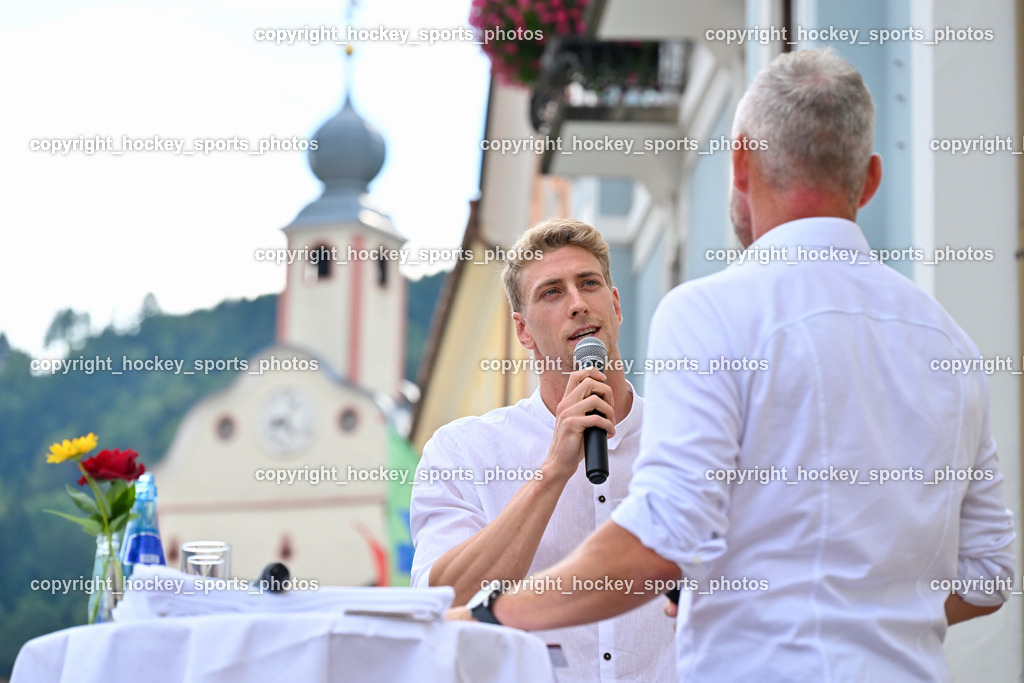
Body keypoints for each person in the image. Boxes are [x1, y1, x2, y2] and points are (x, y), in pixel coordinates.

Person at [447, 49, 1016, 682]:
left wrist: (497, 613)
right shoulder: (952, 344)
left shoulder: (710, 313)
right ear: (871, 178)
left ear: (740, 161)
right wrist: (857, 613)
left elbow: (660, 545)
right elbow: (989, 575)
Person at [410, 218, 675, 681]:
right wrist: (553, 470)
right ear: (524, 330)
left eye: (589, 284)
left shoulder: (681, 439)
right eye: (551, 292)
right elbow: (444, 601)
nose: (577, 303)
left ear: (614, 305)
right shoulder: (463, 451)